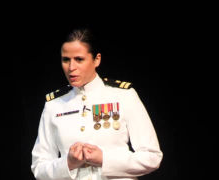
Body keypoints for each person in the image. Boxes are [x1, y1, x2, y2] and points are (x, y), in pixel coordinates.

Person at [31, 28, 163, 180]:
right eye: (66, 59)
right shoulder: (55, 104)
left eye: (79, 59)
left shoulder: (123, 95)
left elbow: (152, 157)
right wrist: (68, 163)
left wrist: (104, 160)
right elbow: (39, 167)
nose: (71, 67)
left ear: (96, 59)